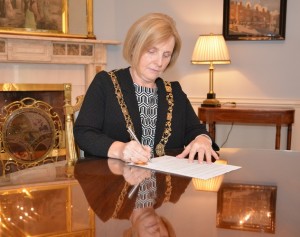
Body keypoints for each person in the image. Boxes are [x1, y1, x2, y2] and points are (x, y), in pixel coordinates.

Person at [74, 12, 219, 165]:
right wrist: (120, 149)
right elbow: (84, 133)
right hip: (115, 181)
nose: (159, 62)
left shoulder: (174, 92)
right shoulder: (105, 83)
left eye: (166, 54)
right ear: (135, 46)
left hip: (166, 184)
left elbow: (194, 129)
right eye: (152, 51)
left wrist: (202, 139)